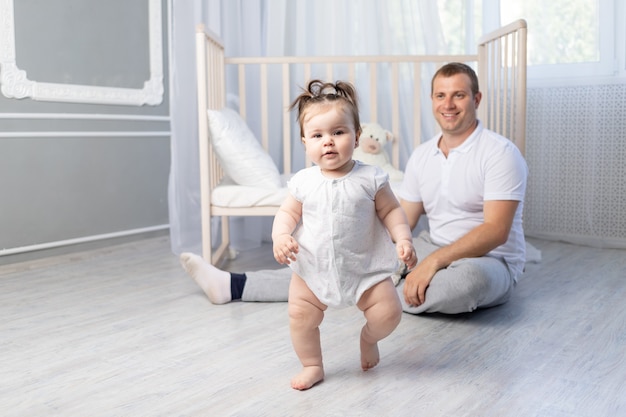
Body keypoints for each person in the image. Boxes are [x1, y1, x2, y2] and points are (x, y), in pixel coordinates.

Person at [181, 62, 528, 327]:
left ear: (476, 99)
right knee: (328, 261)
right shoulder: (424, 154)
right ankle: (234, 285)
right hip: (431, 245)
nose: (448, 104)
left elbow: (495, 231)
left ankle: (366, 295)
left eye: (459, 94)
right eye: (441, 95)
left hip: (488, 260)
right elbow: (402, 215)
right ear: (433, 100)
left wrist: (433, 265)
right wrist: (362, 246)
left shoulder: (500, 153)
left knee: (463, 285)